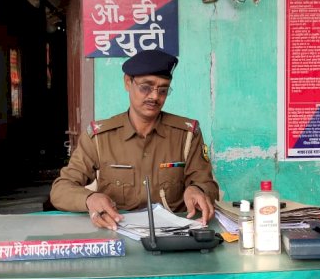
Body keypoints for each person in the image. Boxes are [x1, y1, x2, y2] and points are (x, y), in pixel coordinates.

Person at [50, 49, 219, 230]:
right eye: (146, 87)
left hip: (173, 235)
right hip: (117, 231)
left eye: (163, 90)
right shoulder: (99, 138)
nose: (154, 96)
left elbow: (208, 185)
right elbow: (60, 189)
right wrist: (89, 198)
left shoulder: (186, 135)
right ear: (128, 82)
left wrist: (197, 190)